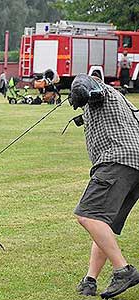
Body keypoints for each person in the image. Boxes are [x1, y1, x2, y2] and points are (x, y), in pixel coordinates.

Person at [70, 74, 139, 299]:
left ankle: (123, 271)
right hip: (134, 165)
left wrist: (79, 91)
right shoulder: (121, 101)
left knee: (87, 216)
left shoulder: (101, 90)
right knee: (102, 224)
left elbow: (85, 84)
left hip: (116, 161)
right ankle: (90, 280)